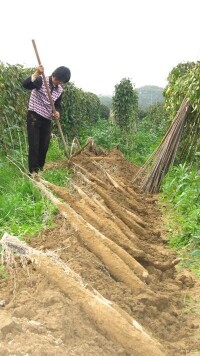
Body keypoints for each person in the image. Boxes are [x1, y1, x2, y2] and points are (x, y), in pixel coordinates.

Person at [23, 64, 71, 175]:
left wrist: (57, 112)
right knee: (34, 144)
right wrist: (36, 73)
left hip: (47, 118)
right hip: (34, 115)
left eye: (61, 82)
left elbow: (57, 105)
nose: (58, 83)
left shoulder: (60, 90)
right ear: (54, 75)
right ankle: (33, 172)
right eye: (58, 80)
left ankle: (40, 168)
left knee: (44, 145)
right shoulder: (41, 80)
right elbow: (26, 85)